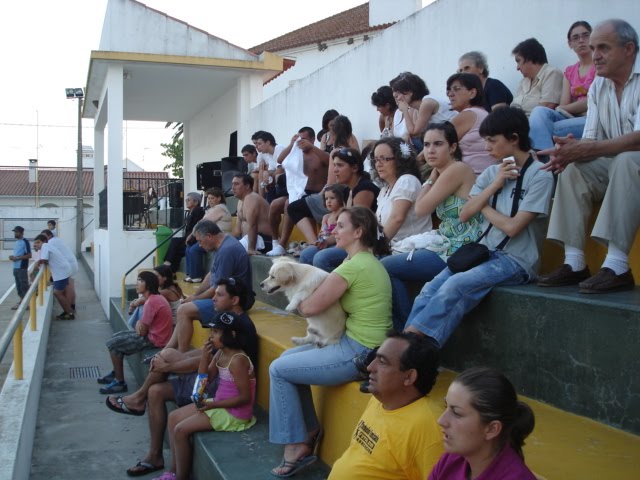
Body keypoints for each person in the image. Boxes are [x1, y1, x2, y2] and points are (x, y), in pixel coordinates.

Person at [404, 107, 554, 348]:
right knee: (429, 289)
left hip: (516, 260)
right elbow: (465, 214)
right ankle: (406, 347)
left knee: (455, 286)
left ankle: (408, 347)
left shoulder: (540, 175)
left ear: (514, 138)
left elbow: (512, 227)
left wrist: (481, 203)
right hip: (482, 251)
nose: (486, 147)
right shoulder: (492, 173)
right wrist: (494, 185)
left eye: (492, 141)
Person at [269, 206, 392, 477]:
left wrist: (298, 288)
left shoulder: (353, 267)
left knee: (278, 370)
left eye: (341, 226)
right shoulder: (365, 262)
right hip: (361, 346)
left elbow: (309, 308)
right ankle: (309, 430)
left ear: (358, 232)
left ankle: (296, 445)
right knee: (286, 360)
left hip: (359, 352)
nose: (334, 230)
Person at [108, 278, 258, 478]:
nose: (213, 298)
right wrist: (202, 360)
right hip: (217, 396)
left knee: (174, 418)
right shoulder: (223, 342)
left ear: (235, 300)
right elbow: (206, 374)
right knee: (167, 368)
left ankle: (175, 471)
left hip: (227, 404)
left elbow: (243, 396)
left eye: (219, 294)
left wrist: (171, 367)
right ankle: (171, 469)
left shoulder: (237, 344)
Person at [537, 19, 640, 293]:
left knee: (626, 160)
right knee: (573, 169)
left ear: (629, 49)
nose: (595, 55)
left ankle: (618, 266)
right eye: (593, 48)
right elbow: (592, 140)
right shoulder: (598, 86)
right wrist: (570, 151)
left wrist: (589, 149)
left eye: (603, 48)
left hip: (632, 164)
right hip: (620, 167)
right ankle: (574, 263)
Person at [382, 123, 483, 330]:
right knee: (386, 263)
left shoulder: (457, 169)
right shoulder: (442, 172)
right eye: (427, 145)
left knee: (385, 266)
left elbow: (421, 209)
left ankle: (404, 331)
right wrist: (433, 177)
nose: (430, 150)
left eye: (438, 144)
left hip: (459, 247)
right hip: (446, 243)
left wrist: (430, 179)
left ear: (452, 147)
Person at [329, 331, 443, 480]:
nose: (370, 367)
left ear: (409, 377)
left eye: (382, 362)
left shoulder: (429, 426)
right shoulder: (380, 399)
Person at [158, 309, 257, 480]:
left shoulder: (238, 360)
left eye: (216, 332)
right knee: (173, 417)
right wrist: (204, 357)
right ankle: (173, 472)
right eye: (212, 331)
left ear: (232, 334)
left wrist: (212, 405)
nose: (211, 336)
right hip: (219, 403)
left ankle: (181, 477)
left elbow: (245, 398)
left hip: (235, 413)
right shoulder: (220, 353)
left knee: (180, 430)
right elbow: (206, 380)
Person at [429, 367, 536, 480]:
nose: (441, 420)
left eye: (456, 413)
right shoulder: (450, 460)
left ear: (492, 429)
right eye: (446, 406)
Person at [166, 220, 254, 352]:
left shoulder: (227, 250)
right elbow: (211, 274)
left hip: (236, 301)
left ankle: (181, 353)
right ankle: (168, 350)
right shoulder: (223, 243)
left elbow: (217, 288)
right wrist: (195, 295)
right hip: (226, 295)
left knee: (183, 310)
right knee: (183, 308)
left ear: (209, 236)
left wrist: (195, 299)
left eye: (200, 241)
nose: (199, 245)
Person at [300, 148, 380, 271]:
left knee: (321, 258)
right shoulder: (348, 190)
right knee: (306, 254)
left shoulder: (364, 189)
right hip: (349, 238)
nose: (335, 170)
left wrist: (333, 241)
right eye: (334, 165)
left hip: (362, 243)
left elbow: (358, 228)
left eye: (340, 165)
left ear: (354, 168)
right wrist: (327, 241)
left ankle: (338, 283)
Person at [98, 271, 173, 395]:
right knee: (115, 337)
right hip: (154, 335)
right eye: (138, 280)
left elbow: (142, 332)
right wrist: (139, 324)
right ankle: (116, 373)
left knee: (113, 344)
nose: (137, 284)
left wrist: (139, 322)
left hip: (155, 340)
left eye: (140, 281)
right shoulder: (154, 298)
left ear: (148, 285)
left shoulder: (151, 302)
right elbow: (141, 328)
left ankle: (120, 382)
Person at [529, 21, 596, 154]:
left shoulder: (600, 66)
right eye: (576, 38)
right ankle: (550, 158)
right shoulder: (570, 71)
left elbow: (593, 101)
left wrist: (564, 108)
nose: (581, 40)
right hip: (571, 117)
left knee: (542, 129)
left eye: (585, 35)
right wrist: (564, 108)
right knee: (539, 111)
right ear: (570, 44)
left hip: (592, 119)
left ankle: (546, 159)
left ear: (593, 38)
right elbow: (563, 104)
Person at [267, 126, 328, 257]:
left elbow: (330, 161)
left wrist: (312, 148)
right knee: (274, 205)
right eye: (299, 139)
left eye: (304, 139)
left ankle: (283, 243)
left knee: (289, 203)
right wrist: (291, 144)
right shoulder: (296, 154)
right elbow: (280, 160)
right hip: (299, 192)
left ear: (312, 139)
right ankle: (276, 243)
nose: (301, 142)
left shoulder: (319, 154)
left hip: (317, 193)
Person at [371, 137, 432, 242]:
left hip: (412, 247)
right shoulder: (384, 190)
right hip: (393, 247)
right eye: (376, 159)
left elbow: (397, 218)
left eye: (384, 158)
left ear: (399, 160)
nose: (378, 164)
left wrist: (376, 247)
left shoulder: (407, 181)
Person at [390, 72, 456, 152]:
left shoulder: (427, 103)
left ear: (410, 92)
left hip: (455, 137)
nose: (397, 98)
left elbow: (414, 132)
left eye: (398, 94)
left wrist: (405, 111)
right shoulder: (418, 107)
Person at [447, 73, 498, 174]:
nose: (450, 94)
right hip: (484, 175)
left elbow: (438, 144)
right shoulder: (482, 112)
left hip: (473, 177)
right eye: (448, 91)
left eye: (456, 89)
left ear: (472, 93)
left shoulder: (468, 114)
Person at [184, 187, 231, 283]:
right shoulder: (212, 209)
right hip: (210, 237)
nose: (210, 201)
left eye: (212, 198)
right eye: (208, 198)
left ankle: (196, 276)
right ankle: (190, 274)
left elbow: (204, 222)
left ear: (219, 198)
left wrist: (192, 234)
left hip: (220, 239)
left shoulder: (220, 208)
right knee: (189, 248)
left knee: (194, 249)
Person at [511, 38, 564, 116]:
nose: (517, 68)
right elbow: (513, 107)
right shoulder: (523, 81)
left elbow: (547, 107)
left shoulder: (552, 73)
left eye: (518, 61)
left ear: (529, 58)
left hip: (537, 121)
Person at [299, 184, 348, 261]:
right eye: (326, 199)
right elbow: (322, 233)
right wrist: (320, 239)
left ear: (341, 199)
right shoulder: (326, 217)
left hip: (337, 244)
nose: (328, 201)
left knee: (320, 257)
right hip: (324, 243)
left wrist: (327, 239)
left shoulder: (343, 214)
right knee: (305, 254)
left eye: (332, 198)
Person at [33, 234, 74, 320]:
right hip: (62, 271)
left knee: (57, 293)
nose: (36, 244)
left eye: (38, 242)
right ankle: (67, 311)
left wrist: (37, 263)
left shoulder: (45, 246)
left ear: (44, 242)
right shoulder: (47, 246)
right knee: (60, 293)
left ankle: (70, 313)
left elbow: (44, 260)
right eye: (35, 243)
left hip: (61, 272)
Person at [163, 192, 205, 273]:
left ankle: (167, 263)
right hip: (189, 237)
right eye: (186, 200)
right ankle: (171, 270)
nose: (186, 202)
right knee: (177, 251)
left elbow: (196, 227)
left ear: (196, 202)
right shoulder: (191, 212)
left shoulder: (198, 211)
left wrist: (189, 238)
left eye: (188, 200)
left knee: (175, 242)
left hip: (194, 238)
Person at [231, 173, 273, 254]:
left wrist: (251, 249)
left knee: (229, 251)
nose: (233, 187)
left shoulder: (251, 197)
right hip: (247, 239)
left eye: (236, 184)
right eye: (232, 184)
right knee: (222, 246)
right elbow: (238, 230)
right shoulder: (240, 201)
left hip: (264, 240)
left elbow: (253, 225)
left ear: (247, 186)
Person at [41, 229, 78, 312]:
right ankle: (71, 307)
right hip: (70, 263)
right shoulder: (56, 240)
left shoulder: (49, 243)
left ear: (50, 235)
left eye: (44, 236)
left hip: (67, 265)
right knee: (69, 285)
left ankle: (69, 309)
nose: (43, 238)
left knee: (68, 287)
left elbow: (44, 257)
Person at [254, 131, 285, 202]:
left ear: (268, 142)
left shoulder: (279, 148)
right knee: (265, 174)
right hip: (281, 180)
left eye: (260, 144)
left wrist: (269, 176)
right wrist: (267, 173)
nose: (258, 147)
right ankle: (265, 201)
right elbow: (272, 170)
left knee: (276, 176)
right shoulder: (269, 154)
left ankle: (265, 201)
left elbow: (280, 170)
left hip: (289, 178)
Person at [9, 226, 31, 310]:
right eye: (15, 232)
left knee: (24, 286)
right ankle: (22, 302)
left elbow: (29, 255)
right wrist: (12, 257)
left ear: (22, 233)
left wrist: (17, 258)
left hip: (22, 267)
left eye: (17, 232)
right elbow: (17, 254)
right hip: (15, 267)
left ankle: (27, 304)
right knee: (18, 287)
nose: (15, 233)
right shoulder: (16, 242)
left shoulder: (25, 242)